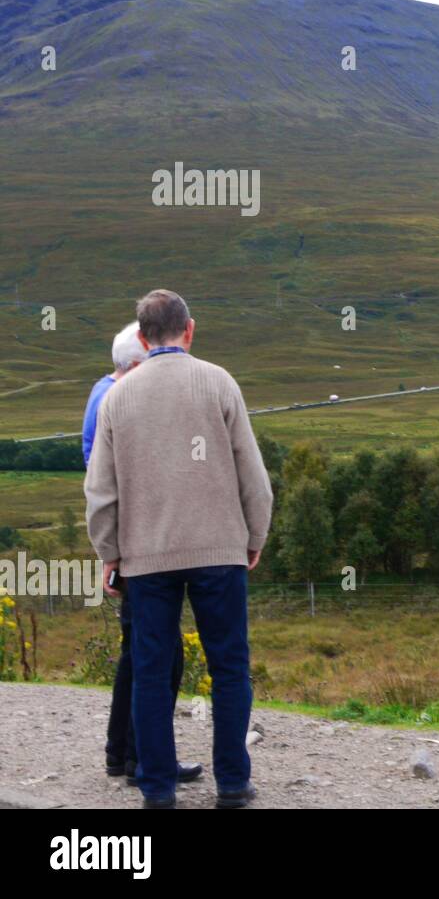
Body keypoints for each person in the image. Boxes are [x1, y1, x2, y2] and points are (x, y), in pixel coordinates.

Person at [85, 291, 274, 809]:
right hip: (219, 551)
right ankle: (233, 783)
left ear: (143, 339)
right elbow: (252, 475)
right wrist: (254, 535)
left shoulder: (118, 397)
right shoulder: (220, 382)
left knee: (150, 670)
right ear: (190, 330)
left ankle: (158, 790)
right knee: (230, 667)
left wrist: (110, 552)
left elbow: (101, 491)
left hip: (147, 558)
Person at [84, 323, 199, 789]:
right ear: (136, 365)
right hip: (139, 545)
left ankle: (121, 752)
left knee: (139, 652)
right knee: (160, 656)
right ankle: (142, 759)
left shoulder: (102, 390)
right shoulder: (118, 400)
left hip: (128, 542)